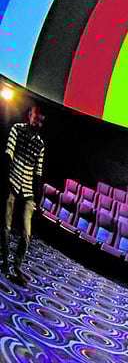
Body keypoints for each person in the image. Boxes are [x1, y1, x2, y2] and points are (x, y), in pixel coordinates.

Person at [2, 106, 46, 285]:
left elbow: (38, 172)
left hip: (28, 189)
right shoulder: (16, 129)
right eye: (36, 118)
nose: (38, 122)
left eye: (41, 120)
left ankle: (17, 265)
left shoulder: (41, 144)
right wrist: (5, 181)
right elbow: (8, 156)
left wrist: (38, 200)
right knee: (6, 225)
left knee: (26, 232)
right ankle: (5, 260)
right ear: (29, 116)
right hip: (12, 182)